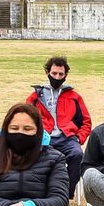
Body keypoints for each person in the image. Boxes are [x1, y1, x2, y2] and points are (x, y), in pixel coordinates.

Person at [26, 55, 92, 191]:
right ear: (48, 73)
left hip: (67, 138)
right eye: (54, 73)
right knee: (33, 156)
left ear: (66, 75)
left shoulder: (74, 96)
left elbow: (86, 122)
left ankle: (66, 193)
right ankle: (40, 191)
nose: (57, 77)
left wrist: (79, 138)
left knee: (78, 155)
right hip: (44, 138)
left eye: (61, 74)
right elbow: (25, 117)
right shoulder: (37, 95)